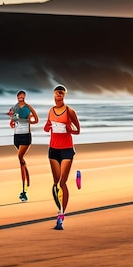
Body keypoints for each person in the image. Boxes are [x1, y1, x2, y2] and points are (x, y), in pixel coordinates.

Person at [43, 84, 80, 230]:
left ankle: (61, 215)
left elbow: (78, 130)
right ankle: (59, 207)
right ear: (53, 95)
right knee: (55, 183)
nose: (59, 96)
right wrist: (49, 127)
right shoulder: (51, 111)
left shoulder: (70, 111)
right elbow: (46, 127)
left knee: (62, 183)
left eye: (61, 93)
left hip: (66, 150)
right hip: (53, 150)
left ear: (64, 95)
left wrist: (70, 129)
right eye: (57, 93)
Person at [8, 90, 39, 202]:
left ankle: (24, 190)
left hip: (26, 136)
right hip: (17, 137)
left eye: (22, 97)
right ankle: (26, 174)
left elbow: (36, 120)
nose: (20, 99)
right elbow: (12, 123)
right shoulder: (14, 107)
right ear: (17, 97)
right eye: (19, 97)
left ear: (24, 97)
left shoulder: (28, 107)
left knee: (20, 157)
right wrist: (12, 118)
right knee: (22, 161)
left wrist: (28, 121)